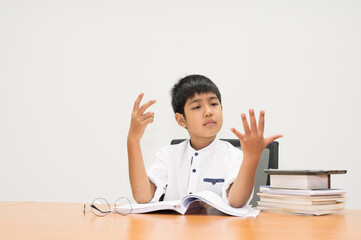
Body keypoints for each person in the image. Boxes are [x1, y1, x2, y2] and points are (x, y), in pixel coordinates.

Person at [127, 75, 282, 208]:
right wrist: (133, 140)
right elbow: (142, 196)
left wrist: (251, 158)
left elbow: (236, 202)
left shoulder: (233, 155)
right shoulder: (167, 156)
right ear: (181, 120)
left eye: (213, 104)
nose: (208, 112)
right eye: (196, 107)